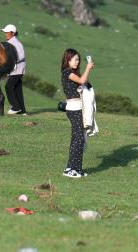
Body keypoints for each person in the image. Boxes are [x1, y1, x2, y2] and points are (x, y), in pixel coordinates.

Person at [61, 48, 94, 178]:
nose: (77, 62)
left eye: (78, 60)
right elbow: (81, 81)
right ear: (68, 60)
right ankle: (70, 170)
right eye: (75, 59)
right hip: (73, 108)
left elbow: (83, 83)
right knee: (78, 138)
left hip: (78, 107)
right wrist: (88, 68)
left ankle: (76, 168)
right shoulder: (66, 72)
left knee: (79, 138)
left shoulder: (72, 73)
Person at [1, 24, 27, 115]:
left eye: (7, 32)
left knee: (8, 87)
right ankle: (23, 111)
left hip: (17, 70)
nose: (5, 34)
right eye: (5, 32)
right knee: (17, 90)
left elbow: (21, 56)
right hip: (17, 70)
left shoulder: (15, 43)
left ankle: (15, 107)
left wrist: (9, 63)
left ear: (12, 33)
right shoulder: (11, 42)